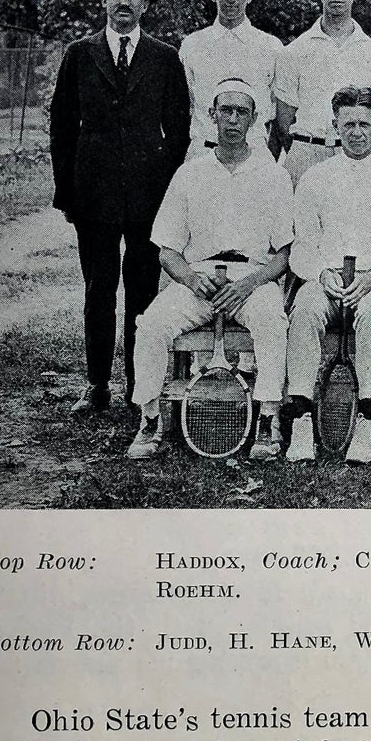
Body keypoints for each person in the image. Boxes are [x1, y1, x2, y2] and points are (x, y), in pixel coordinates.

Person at [49, 0, 192, 416]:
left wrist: (164, 187)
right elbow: (62, 127)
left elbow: (179, 128)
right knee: (99, 289)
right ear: (104, 1)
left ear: (146, 5)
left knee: (143, 291)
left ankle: (139, 384)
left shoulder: (165, 58)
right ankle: (96, 385)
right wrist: (68, 192)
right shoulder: (79, 53)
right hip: (94, 195)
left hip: (148, 197)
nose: (124, 2)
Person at [126, 79, 292, 463]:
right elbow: (167, 251)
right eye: (226, 111)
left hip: (252, 279)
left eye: (242, 112)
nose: (233, 120)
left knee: (272, 320)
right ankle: (150, 419)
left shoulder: (273, 175)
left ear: (254, 119)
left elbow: (284, 255)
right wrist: (190, 279)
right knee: (150, 324)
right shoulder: (189, 174)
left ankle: (268, 418)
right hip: (197, 278)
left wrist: (248, 284)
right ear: (211, 116)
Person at [284, 86, 371, 466]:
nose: (356, 131)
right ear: (336, 126)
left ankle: (366, 421)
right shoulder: (314, 178)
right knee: (304, 308)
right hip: (326, 280)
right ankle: (302, 418)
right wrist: (321, 273)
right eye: (348, 124)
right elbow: (302, 245)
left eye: (364, 123)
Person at [272, 0, 371, 186]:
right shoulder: (294, 51)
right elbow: (284, 124)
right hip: (305, 155)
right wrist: (309, 152)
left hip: (355, 156)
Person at [178, 0, 284, 161]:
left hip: (254, 155)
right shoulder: (192, 45)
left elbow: (277, 114)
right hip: (203, 155)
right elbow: (186, 105)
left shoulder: (271, 47)